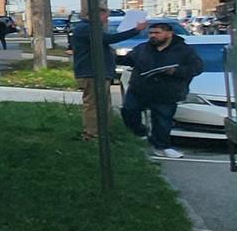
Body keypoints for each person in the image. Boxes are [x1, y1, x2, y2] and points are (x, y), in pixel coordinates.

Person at [120, 21, 203, 158]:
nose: (153, 36)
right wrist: (111, 56)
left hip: (167, 91)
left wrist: (175, 71)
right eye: (151, 33)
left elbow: (197, 67)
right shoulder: (142, 48)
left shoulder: (184, 50)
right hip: (140, 89)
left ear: (169, 34)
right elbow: (128, 60)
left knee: (163, 120)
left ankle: (161, 146)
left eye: (157, 33)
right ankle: (140, 132)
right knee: (129, 110)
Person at [69, 9, 139, 139]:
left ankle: (103, 133)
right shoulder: (86, 28)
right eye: (105, 17)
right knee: (93, 104)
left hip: (99, 73)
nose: (106, 20)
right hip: (92, 73)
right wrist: (135, 30)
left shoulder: (90, 29)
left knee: (102, 104)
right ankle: (91, 133)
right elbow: (109, 39)